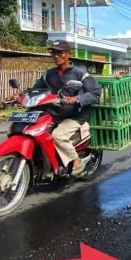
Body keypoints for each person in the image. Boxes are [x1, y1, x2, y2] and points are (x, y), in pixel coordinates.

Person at [31, 40, 102, 176]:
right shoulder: (48, 75)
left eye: (60, 52)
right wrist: (20, 95)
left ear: (68, 55)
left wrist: (77, 99)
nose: (56, 56)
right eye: (54, 53)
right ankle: (44, 164)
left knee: (58, 135)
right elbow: (36, 90)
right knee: (35, 132)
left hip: (75, 115)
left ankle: (76, 160)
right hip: (53, 113)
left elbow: (96, 92)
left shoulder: (80, 74)